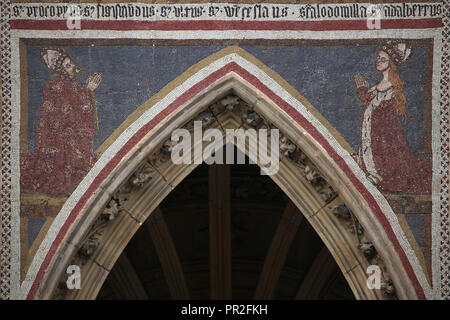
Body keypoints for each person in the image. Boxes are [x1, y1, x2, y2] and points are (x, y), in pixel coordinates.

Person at [20, 48, 102, 196]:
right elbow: (72, 112)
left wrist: (87, 91)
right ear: (61, 70)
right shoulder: (59, 86)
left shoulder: (64, 86)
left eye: (71, 64)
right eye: (68, 66)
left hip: (62, 138)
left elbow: (73, 110)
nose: (73, 68)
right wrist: (89, 90)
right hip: (58, 142)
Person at [354, 41, 431, 194]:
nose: (378, 61)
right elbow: (369, 103)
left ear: (391, 64)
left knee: (391, 168)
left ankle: (378, 174)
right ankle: (371, 170)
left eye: (383, 59)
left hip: (385, 135)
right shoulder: (379, 84)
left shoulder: (393, 84)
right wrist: (363, 91)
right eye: (378, 58)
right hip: (372, 131)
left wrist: (363, 92)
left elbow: (382, 110)